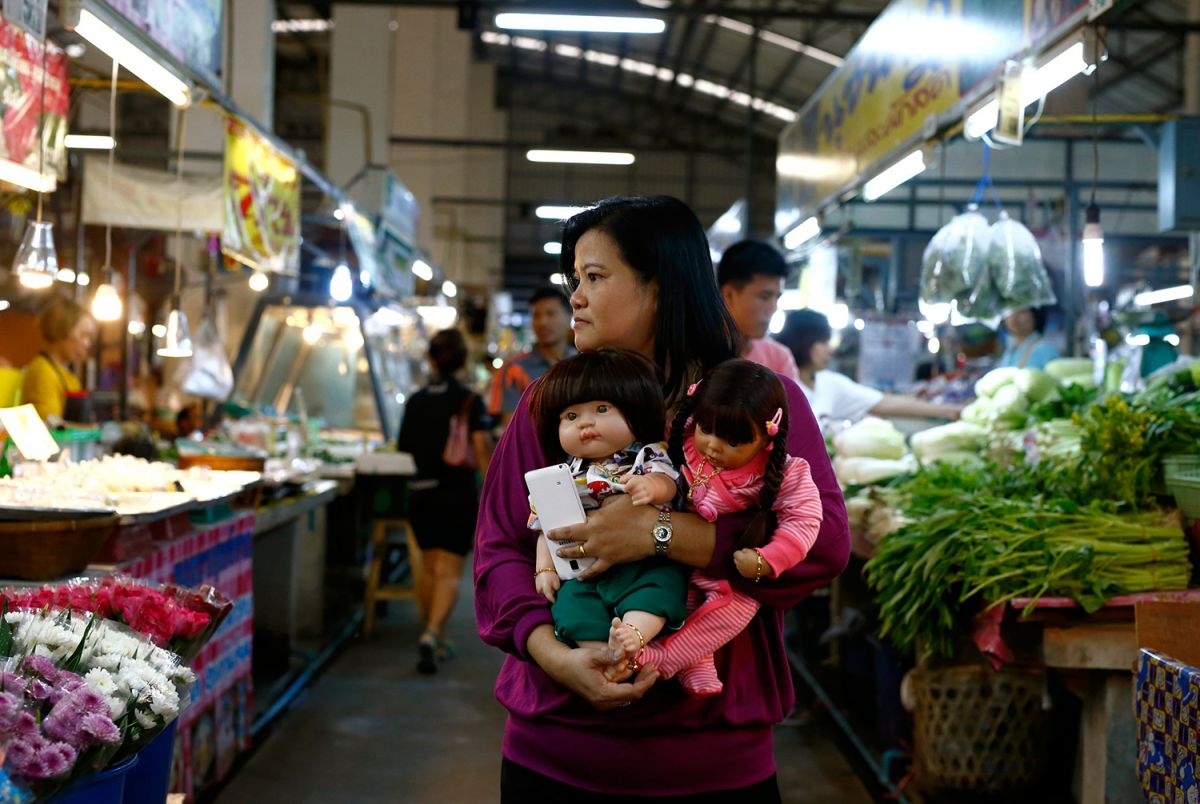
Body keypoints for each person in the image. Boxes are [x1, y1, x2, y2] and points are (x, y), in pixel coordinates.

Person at [474, 195, 849, 801]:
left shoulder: (760, 400)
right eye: (574, 280)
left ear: (661, 288)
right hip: (556, 747)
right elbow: (498, 550)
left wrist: (659, 533)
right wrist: (552, 655)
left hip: (714, 755)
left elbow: (823, 544)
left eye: (594, 277)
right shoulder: (552, 402)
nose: (576, 297)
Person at [624, 359, 822, 697]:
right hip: (671, 561)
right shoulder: (681, 442)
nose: (714, 446)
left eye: (734, 442)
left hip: (727, 575)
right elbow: (659, 470)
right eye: (706, 429)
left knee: (732, 612)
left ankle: (664, 659)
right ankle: (698, 660)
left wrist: (769, 558)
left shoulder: (785, 473)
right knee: (669, 601)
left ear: (766, 438)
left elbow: (805, 518)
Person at [528, 349, 685, 674]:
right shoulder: (563, 476)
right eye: (571, 417)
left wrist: (651, 487)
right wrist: (544, 568)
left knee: (660, 589)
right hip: (584, 571)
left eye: (601, 409)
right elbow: (547, 527)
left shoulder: (644, 455)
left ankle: (634, 635)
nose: (585, 422)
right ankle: (604, 656)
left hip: (642, 564)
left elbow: (668, 482)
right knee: (570, 608)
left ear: (634, 412)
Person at [397, 328, 492, 674]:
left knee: (429, 566)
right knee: (449, 570)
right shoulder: (469, 400)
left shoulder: (416, 400)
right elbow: (481, 450)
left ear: (432, 360)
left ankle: (434, 635)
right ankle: (432, 632)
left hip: (420, 494)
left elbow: (404, 447)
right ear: (463, 361)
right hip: (456, 495)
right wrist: (492, 493)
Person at [779, 309, 963, 429]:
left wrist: (948, 410)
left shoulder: (827, 383)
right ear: (803, 341)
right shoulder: (778, 387)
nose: (830, 349)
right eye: (823, 341)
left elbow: (882, 403)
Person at [489, 286, 575, 429]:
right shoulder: (513, 369)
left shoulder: (582, 364)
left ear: (568, 316)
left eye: (551, 313)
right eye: (536, 315)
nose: (543, 322)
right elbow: (511, 428)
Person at [717, 240, 800, 382]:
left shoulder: (778, 357)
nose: (773, 308)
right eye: (764, 297)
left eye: (777, 297)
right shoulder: (696, 357)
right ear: (729, 295)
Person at [21, 298, 96, 422]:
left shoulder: (69, 376)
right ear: (61, 332)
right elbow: (51, 427)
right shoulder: (43, 372)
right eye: (83, 335)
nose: (87, 344)